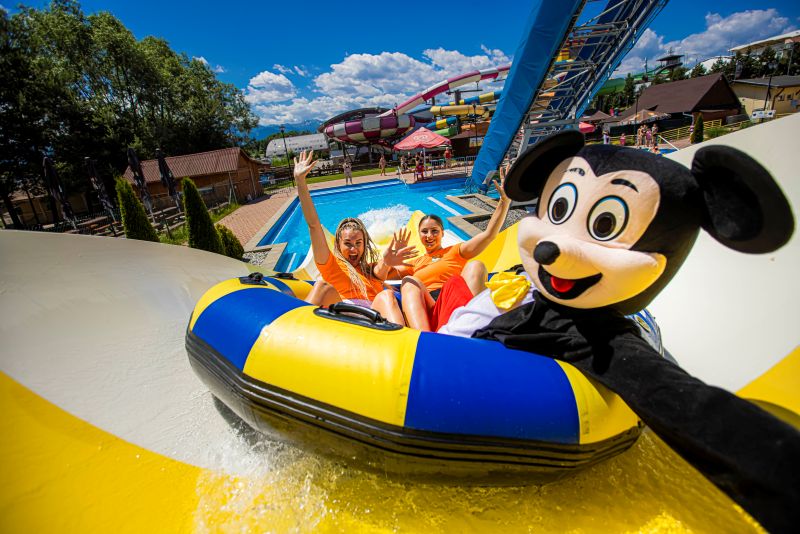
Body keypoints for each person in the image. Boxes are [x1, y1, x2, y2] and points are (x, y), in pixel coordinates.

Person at [294, 151, 415, 323]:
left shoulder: (370, 270)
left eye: (358, 243)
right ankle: (293, 328)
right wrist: (300, 182)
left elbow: (381, 269)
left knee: (386, 295)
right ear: (338, 245)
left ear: (365, 244)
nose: (354, 248)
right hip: (345, 317)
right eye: (348, 243)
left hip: (375, 320)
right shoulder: (331, 265)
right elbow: (314, 226)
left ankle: (402, 338)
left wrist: (387, 262)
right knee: (322, 287)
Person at [391, 166, 512, 331]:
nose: (429, 235)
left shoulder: (455, 251)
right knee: (408, 281)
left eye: (434, 231)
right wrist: (390, 258)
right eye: (424, 231)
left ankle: (475, 325)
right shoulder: (415, 262)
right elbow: (380, 273)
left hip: (458, 304)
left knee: (475, 265)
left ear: (442, 233)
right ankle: (425, 338)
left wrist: (504, 202)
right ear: (419, 235)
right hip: (432, 308)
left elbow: (489, 235)